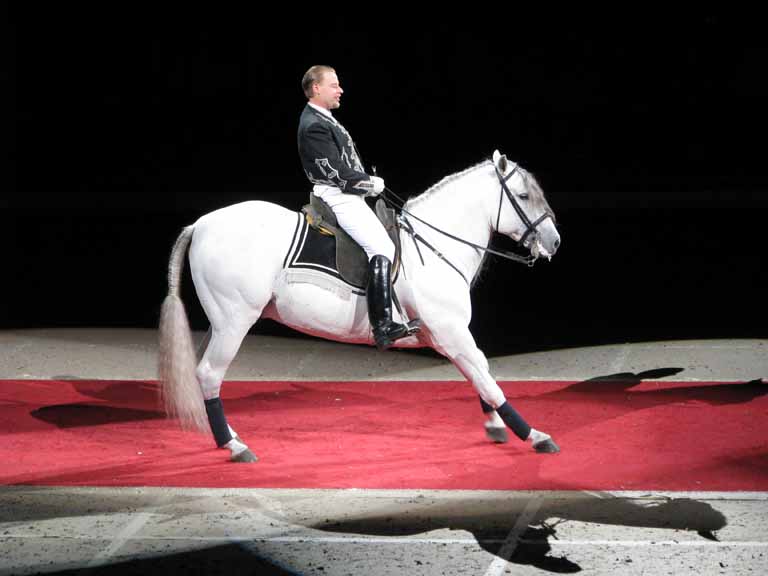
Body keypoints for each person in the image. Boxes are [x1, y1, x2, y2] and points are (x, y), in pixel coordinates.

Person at [297, 65, 419, 350]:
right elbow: (335, 172)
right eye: (334, 85)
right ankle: (383, 326)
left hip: (347, 193)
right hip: (338, 195)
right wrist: (368, 183)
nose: (340, 90)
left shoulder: (323, 118)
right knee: (382, 247)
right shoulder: (313, 124)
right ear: (316, 88)